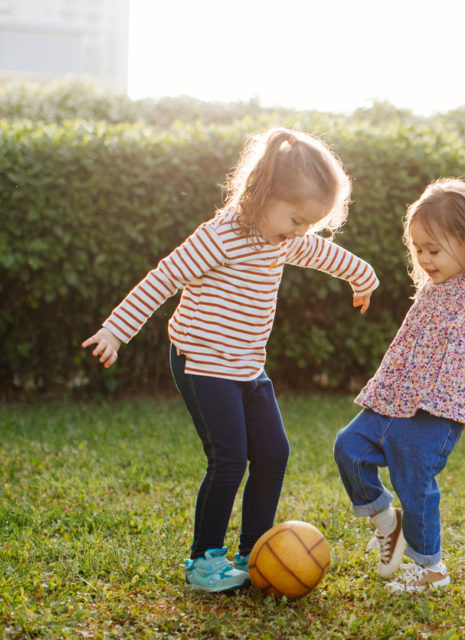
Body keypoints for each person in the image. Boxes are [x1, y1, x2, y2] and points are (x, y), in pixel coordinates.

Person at [82, 127, 379, 593]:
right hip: (201, 362)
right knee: (230, 458)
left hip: (245, 365)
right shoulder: (219, 236)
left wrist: (363, 277)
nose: (301, 232)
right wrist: (116, 330)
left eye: (308, 224)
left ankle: (254, 551)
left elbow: (324, 253)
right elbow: (164, 278)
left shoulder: (284, 239)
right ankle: (204, 559)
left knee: (274, 452)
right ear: (262, 193)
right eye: (297, 219)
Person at [332, 178, 465, 594]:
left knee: (414, 479)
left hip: (440, 409)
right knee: (348, 447)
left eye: (433, 249)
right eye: (418, 250)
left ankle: (430, 568)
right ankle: (387, 524)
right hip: (394, 395)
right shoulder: (432, 286)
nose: (424, 259)